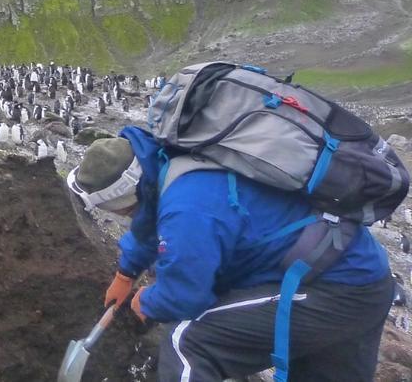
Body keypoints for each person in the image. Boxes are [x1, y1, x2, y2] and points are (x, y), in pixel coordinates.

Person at [67, 133, 394, 381]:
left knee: (188, 342)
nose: (122, 215)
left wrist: (145, 304)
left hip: (332, 289)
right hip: (360, 277)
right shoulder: (171, 165)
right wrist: (126, 273)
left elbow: (184, 295)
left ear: (125, 192)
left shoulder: (188, 206)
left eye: (118, 207)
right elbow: (149, 219)